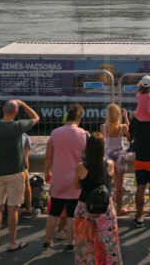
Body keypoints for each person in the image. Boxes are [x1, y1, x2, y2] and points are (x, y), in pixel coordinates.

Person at [0, 99, 39, 251]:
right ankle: (12, 242)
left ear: (3, 110)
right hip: (15, 172)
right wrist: (24, 104)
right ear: (15, 112)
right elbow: (36, 118)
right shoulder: (17, 126)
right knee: (13, 208)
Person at [73, 132, 123, 265]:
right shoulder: (110, 164)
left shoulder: (81, 166)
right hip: (105, 207)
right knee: (110, 245)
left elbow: (76, 185)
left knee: (84, 245)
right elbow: (111, 182)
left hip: (85, 207)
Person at [44, 104, 88, 250]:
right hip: (76, 180)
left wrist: (47, 172)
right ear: (79, 118)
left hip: (58, 178)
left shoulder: (55, 133)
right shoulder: (83, 134)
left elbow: (48, 156)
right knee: (71, 213)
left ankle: (47, 240)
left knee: (54, 212)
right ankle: (70, 243)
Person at [100, 104, 130, 216]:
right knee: (119, 185)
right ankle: (119, 208)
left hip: (108, 155)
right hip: (120, 155)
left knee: (107, 183)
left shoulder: (103, 127)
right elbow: (129, 133)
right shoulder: (122, 127)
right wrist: (126, 116)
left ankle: (107, 207)